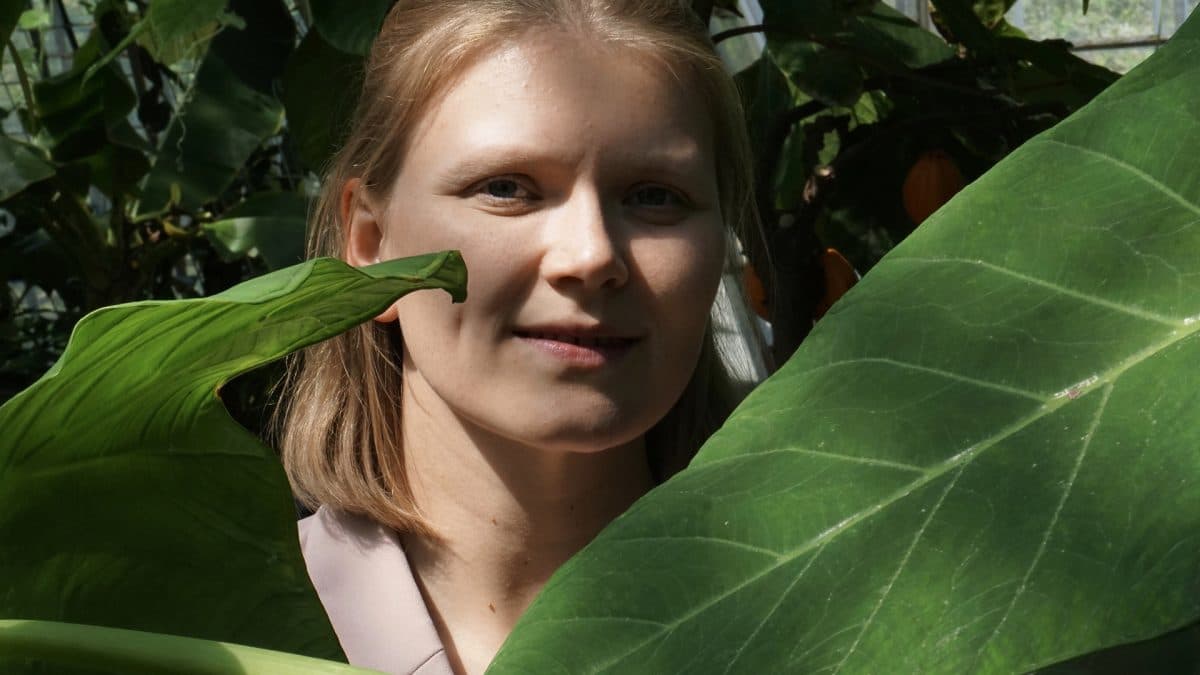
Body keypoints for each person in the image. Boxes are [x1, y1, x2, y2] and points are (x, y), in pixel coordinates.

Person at [275, 1, 759, 673]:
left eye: (654, 196)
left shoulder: (840, 605)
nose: (590, 255)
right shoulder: (206, 635)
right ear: (371, 243)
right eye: (507, 188)